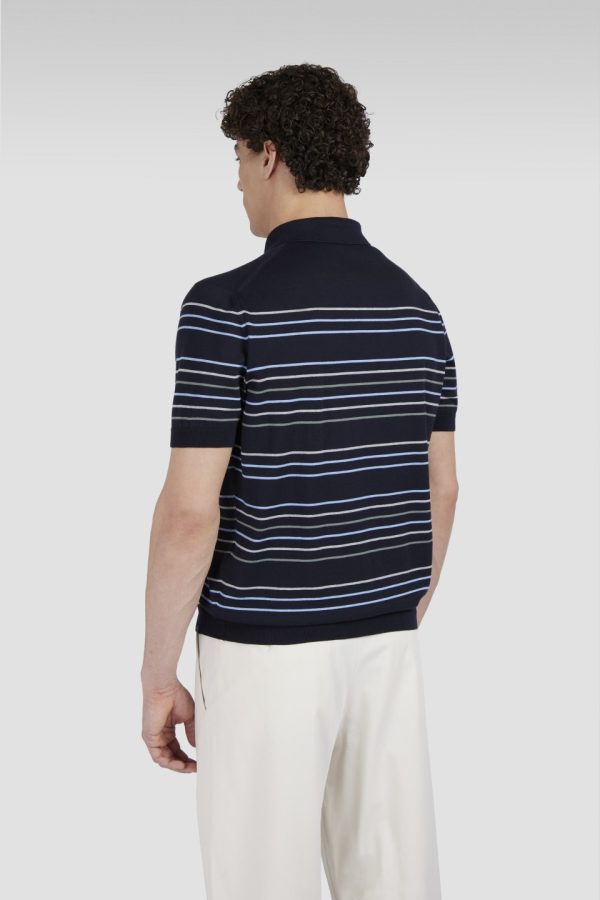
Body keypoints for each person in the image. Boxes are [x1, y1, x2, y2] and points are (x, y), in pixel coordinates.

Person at [141, 62, 459, 900]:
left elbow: (189, 514)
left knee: (260, 883)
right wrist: (398, 608)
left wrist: (158, 674)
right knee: (394, 883)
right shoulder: (417, 308)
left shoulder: (225, 306)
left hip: (264, 649)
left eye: (239, 161)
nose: (239, 184)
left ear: (271, 154)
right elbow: (444, 487)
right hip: (387, 640)